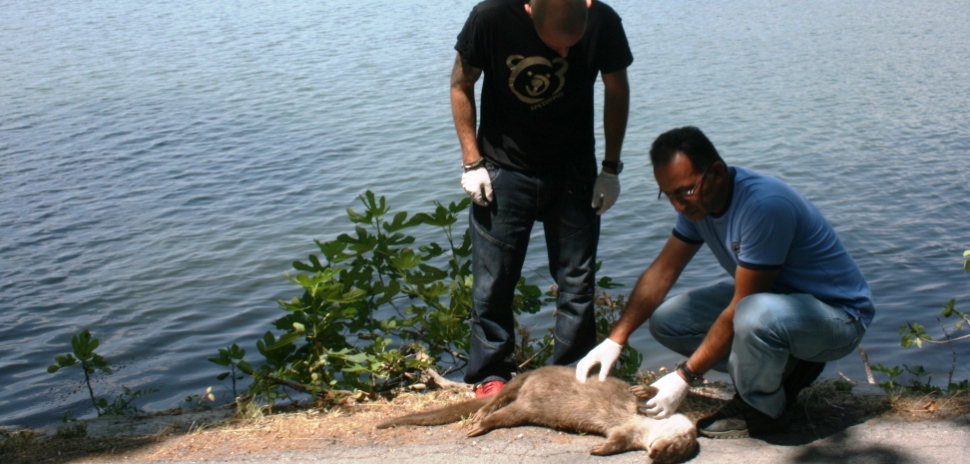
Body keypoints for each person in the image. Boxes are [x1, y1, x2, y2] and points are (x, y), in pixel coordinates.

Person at [575, 126, 876, 439]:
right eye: (669, 195)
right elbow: (662, 272)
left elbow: (743, 304)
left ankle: (761, 410)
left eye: (685, 191)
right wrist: (616, 339)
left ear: (716, 172)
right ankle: (784, 371)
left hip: (837, 317)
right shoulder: (699, 206)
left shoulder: (763, 206)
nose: (679, 205)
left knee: (753, 312)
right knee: (667, 321)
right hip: (778, 305)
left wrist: (685, 375)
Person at [452, 0, 633, 398]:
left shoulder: (603, 19)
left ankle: (572, 377)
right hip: (503, 169)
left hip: (573, 172)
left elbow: (617, 89)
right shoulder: (491, 17)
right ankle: (490, 372)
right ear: (530, 10)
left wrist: (611, 168)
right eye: (556, 46)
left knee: (577, 281)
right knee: (493, 281)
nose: (565, 55)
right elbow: (461, 85)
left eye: (572, 46)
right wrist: (471, 162)